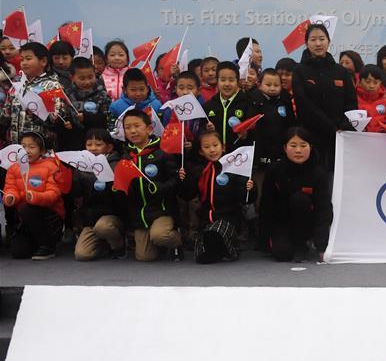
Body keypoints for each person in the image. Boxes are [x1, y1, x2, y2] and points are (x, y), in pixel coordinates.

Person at [178, 129, 253, 263]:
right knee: (200, 255)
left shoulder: (233, 168)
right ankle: (218, 249)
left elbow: (245, 199)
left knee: (215, 233)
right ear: (201, 151)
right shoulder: (199, 170)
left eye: (215, 145)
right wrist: (183, 180)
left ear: (222, 147)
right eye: (206, 147)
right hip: (206, 220)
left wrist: (250, 188)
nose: (212, 150)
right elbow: (187, 195)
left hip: (229, 219)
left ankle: (231, 248)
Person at [117, 108, 182, 261]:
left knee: (160, 235)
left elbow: (175, 180)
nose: (133, 131)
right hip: (140, 214)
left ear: (149, 128)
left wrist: (161, 188)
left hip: (162, 210)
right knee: (144, 257)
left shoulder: (162, 151)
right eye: (128, 127)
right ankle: (158, 243)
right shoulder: (126, 157)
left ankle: (176, 241)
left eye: (137, 126)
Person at [259, 126, 333, 262]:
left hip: (307, 222)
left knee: (299, 199)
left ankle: (303, 243)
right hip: (282, 222)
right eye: (293, 146)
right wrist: (264, 237)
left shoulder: (319, 173)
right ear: (285, 148)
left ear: (310, 147)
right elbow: (266, 205)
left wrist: (322, 247)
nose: (298, 150)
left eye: (303, 145)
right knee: (282, 254)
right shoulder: (275, 170)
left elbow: (324, 210)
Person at [291, 23, 357, 170]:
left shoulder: (341, 71)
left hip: (339, 136)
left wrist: (343, 125)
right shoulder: (300, 71)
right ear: (306, 43)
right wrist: (330, 126)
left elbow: (351, 102)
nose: (318, 43)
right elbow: (303, 104)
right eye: (313, 39)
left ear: (328, 41)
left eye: (322, 39)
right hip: (311, 136)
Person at [2, 131, 68, 259]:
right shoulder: (13, 168)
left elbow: (54, 194)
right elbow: (10, 188)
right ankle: (36, 242)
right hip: (25, 217)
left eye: (32, 147)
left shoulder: (51, 166)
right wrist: (10, 197)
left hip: (49, 216)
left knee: (27, 209)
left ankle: (48, 245)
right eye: (23, 147)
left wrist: (35, 197)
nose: (27, 151)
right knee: (18, 252)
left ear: (42, 151)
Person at [0, 42, 69, 148]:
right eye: (22, 59)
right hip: (15, 147)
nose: (24, 63)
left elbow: (58, 118)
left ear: (43, 61)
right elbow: (6, 115)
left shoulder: (52, 86)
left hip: (42, 148)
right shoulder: (17, 85)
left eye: (28, 59)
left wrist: (36, 112)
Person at [73, 128, 127, 260]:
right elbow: (77, 194)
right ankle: (103, 243)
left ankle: (119, 246)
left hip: (112, 216)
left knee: (103, 227)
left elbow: (120, 196)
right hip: (91, 219)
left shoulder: (116, 165)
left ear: (109, 147)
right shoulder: (82, 166)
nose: (93, 148)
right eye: (89, 144)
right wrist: (76, 177)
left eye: (98, 144)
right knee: (82, 255)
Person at [248, 67, 295, 205]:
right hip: (260, 157)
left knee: (281, 193)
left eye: (276, 85)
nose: (272, 88)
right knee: (260, 193)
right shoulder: (253, 100)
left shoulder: (285, 100)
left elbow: (291, 125)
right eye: (268, 85)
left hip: (280, 155)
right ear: (259, 84)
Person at [61, 56, 111, 152]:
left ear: (95, 73)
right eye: (82, 78)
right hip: (74, 143)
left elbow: (106, 119)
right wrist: (67, 123)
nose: (87, 82)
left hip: (97, 143)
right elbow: (63, 115)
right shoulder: (67, 95)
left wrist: (86, 118)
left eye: (90, 77)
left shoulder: (102, 94)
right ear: (72, 77)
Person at [203, 61, 253, 153]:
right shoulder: (209, 105)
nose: (227, 84)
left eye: (231, 80)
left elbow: (255, 132)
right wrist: (208, 130)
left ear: (237, 81)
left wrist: (245, 135)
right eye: (223, 80)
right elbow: (202, 134)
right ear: (217, 81)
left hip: (240, 156)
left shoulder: (247, 103)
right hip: (216, 156)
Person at [107, 68, 164, 133]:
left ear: (147, 88)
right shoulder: (115, 107)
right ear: (124, 90)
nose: (138, 94)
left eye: (142, 89)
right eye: (133, 90)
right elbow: (111, 131)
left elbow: (161, 130)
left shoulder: (157, 105)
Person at [355, 65, 386, 132]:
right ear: (360, 81)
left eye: (376, 82)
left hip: (381, 137)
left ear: (380, 83)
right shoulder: (354, 99)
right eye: (367, 82)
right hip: (359, 137)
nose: (371, 86)